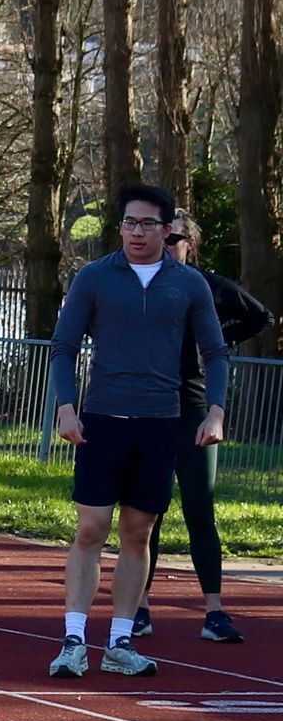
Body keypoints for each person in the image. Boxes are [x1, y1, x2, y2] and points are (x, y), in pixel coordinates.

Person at [43, 185, 229, 680]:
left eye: (147, 224)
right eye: (129, 223)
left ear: (167, 230)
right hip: (102, 420)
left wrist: (215, 413)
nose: (137, 232)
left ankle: (121, 642)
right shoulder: (94, 276)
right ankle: (74, 641)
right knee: (91, 528)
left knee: (138, 532)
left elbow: (215, 353)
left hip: (161, 423)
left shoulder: (188, 284)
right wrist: (66, 408)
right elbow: (63, 346)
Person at [136, 209, 269, 644]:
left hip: (193, 410)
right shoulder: (141, 285)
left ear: (189, 245)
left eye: (173, 239)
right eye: (161, 236)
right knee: (147, 513)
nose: (165, 245)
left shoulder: (208, 286)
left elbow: (260, 317)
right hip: (150, 411)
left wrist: (215, 338)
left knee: (200, 510)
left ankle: (214, 613)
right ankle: (139, 608)